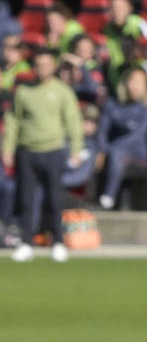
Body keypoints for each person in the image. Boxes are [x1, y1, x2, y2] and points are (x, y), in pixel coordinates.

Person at [4, 47, 85, 263]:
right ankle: (26, 243)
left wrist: (76, 150)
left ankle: (57, 241)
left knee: (53, 199)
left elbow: (73, 122)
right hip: (27, 151)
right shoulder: (23, 91)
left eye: (47, 64)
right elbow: (13, 121)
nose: (43, 69)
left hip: (53, 151)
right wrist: (8, 149)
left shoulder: (62, 91)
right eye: (39, 65)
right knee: (27, 200)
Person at [97, 65, 147, 210]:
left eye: (140, 82)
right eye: (133, 81)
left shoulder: (146, 110)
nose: (136, 86)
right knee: (95, 153)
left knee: (117, 154)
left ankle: (108, 197)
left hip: (136, 153)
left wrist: (110, 149)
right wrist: (102, 149)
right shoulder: (112, 104)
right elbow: (103, 130)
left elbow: (137, 136)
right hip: (112, 150)